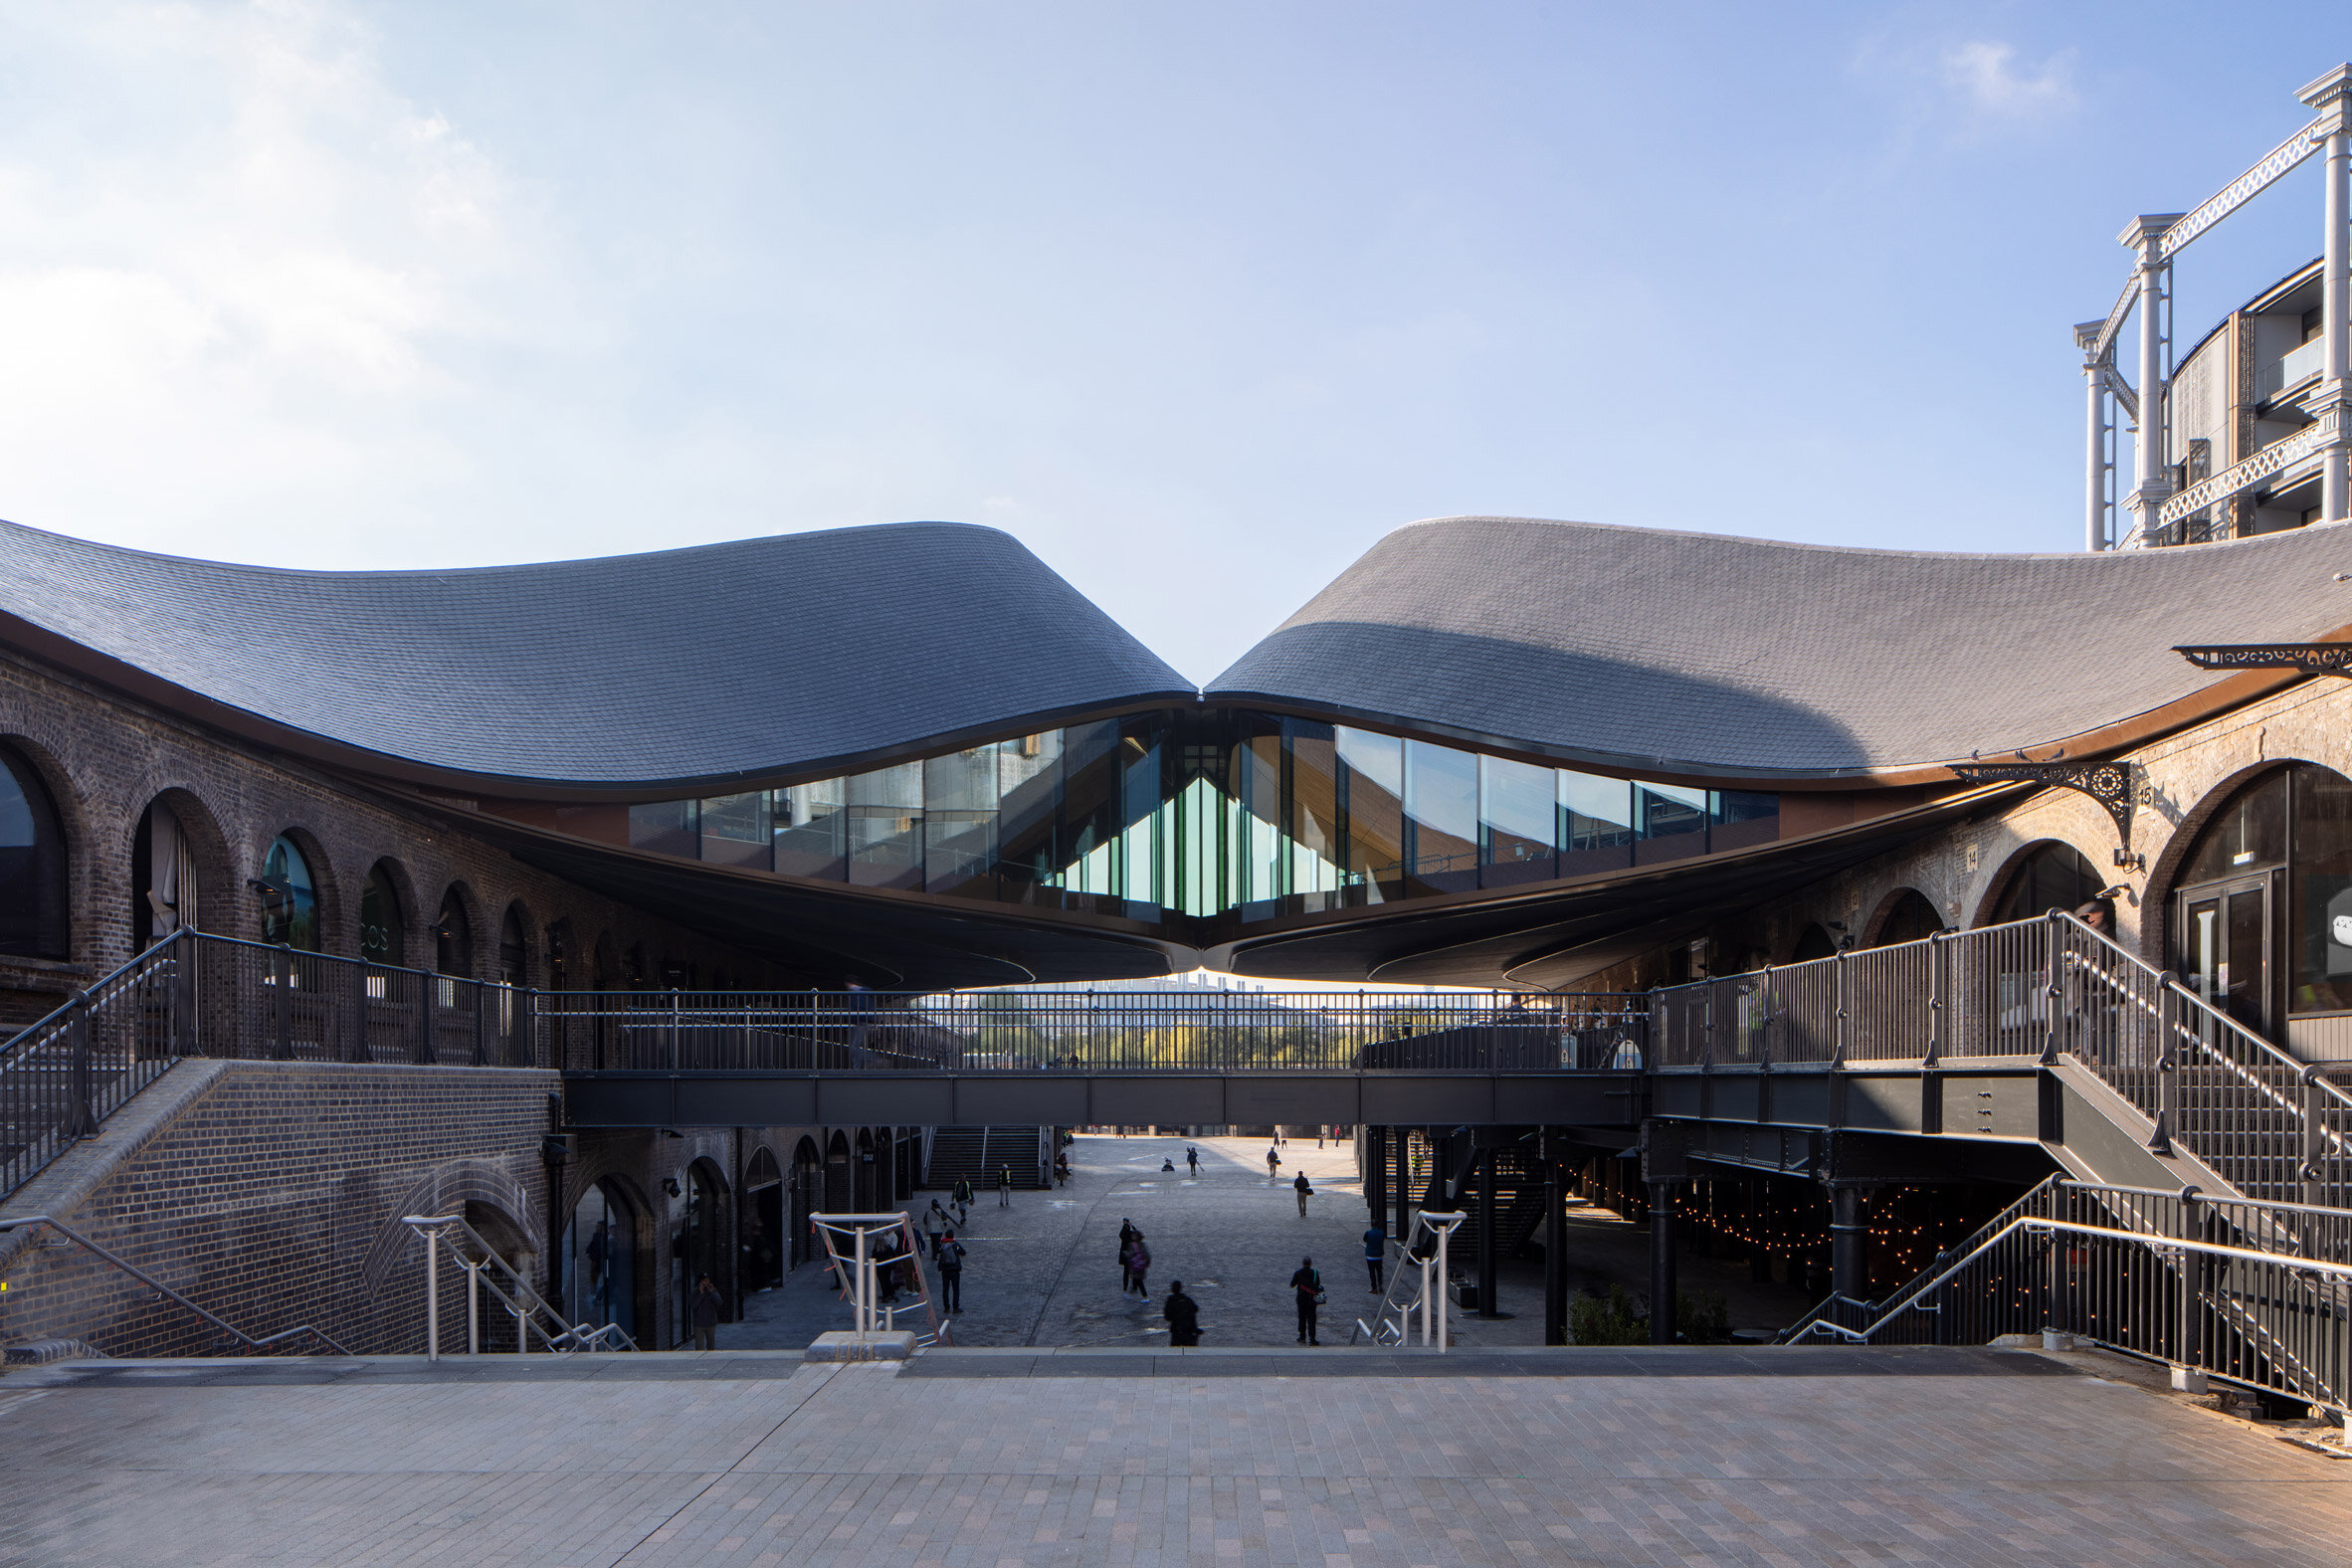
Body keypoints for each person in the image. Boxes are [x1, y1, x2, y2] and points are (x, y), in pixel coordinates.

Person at [1289, 1256, 1322, 1345]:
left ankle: (1302, 1336)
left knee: (1302, 1317)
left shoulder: (1298, 1273)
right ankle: (1312, 1339)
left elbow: (1292, 1284)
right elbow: (1318, 1285)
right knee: (1312, 1319)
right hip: (1312, 1300)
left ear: (1303, 1264)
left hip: (1301, 1299)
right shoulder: (1315, 1273)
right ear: (1310, 1264)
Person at [934, 1232, 965, 1313]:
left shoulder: (942, 1244)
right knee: (955, 1290)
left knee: (945, 1289)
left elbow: (937, 1252)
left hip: (945, 1270)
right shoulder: (955, 1244)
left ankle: (946, 1307)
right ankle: (955, 1307)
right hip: (954, 1269)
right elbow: (963, 1252)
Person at [1163, 1280, 1201, 1347]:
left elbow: (1167, 1317)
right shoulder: (1187, 1299)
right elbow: (1195, 1309)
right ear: (1181, 1288)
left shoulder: (1171, 1300)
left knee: (1175, 1353)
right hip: (1189, 1332)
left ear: (1172, 1289)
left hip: (1176, 1331)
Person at [691, 1274, 722, 1352]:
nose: (706, 1282)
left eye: (708, 1280)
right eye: (704, 1280)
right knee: (699, 1348)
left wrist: (712, 1293)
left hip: (710, 1323)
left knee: (711, 1347)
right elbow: (693, 1306)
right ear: (700, 1282)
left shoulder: (712, 1291)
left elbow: (719, 1303)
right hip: (699, 1324)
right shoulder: (695, 1292)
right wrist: (701, 1294)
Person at [1123, 1231, 1152, 1300]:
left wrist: (1125, 1253)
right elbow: (1147, 1255)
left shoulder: (1132, 1245)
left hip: (1136, 1266)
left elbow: (1130, 1255)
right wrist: (1147, 1263)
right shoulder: (1142, 1245)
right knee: (1136, 1280)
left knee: (1139, 1281)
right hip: (1141, 1266)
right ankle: (1133, 1292)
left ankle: (1145, 1296)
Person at [1363, 1224, 1386, 1292]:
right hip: (1379, 1255)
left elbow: (1365, 1240)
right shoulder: (1381, 1233)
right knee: (1379, 1271)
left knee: (1372, 1272)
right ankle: (1380, 1285)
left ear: (1371, 1225)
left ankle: (1374, 1287)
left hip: (1370, 1255)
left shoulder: (1368, 1233)